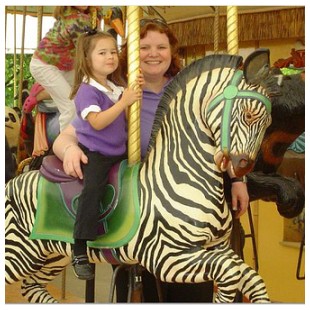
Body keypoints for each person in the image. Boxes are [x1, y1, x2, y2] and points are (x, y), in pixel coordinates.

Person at [53, 19, 249, 301]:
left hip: (192, 209)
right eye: (144, 47)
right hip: (144, 211)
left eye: (161, 46)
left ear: (172, 51)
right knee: (144, 289)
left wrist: (237, 179)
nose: (153, 53)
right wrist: (69, 149)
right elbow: (67, 135)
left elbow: (227, 137)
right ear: (130, 52)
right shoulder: (116, 92)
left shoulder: (193, 90)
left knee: (192, 288)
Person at [68, 30, 143, 281]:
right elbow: (97, 122)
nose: (110, 57)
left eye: (113, 51)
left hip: (120, 152)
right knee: (93, 190)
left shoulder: (113, 86)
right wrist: (124, 103)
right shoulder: (87, 91)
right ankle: (79, 247)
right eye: (103, 53)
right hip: (98, 153)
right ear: (87, 59)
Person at [29, 6, 102, 132]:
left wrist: (97, 12)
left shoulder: (83, 15)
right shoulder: (75, 19)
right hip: (45, 65)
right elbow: (88, 47)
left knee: (85, 90)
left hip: (63, 66)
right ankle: (64, 145)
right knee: (70, 106)